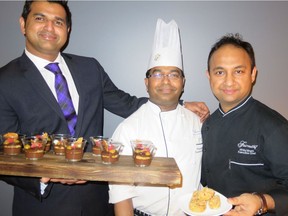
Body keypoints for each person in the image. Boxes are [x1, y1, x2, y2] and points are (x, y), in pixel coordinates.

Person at [0, 1, 209, 216]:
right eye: (40, 18)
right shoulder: (5, 81)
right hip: (42, 205)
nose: (50, 27)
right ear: (23, 24)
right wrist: (43, 178)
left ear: (68, 30)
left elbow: (125, 103)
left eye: (58, 21)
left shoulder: (89, 68)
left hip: (95, 202)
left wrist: (178, 104)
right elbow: (2, 148)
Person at [109, 18, 203, 216]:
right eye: (158, 74)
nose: (166, 81)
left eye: (174, 74)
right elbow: (121, 195)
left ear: (183, 82)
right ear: (146, 82)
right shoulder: (127, 129)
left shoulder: (197, 122)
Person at [201, 33, 288, 216]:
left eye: (238, 71)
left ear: (253, 74)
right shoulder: (207, 124)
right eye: (220, 72)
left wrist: (261, 201)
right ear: (209, 76)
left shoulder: (274, 127)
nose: (229, 81)